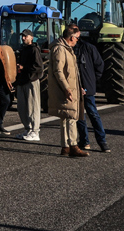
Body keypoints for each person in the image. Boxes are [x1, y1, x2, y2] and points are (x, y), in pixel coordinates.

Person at [48, 25, 86, 157]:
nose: (77, 41)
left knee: (65, 117)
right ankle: (73, 145)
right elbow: (58, 71)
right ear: (71, 37)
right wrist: (66, 88)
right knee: (70, 117)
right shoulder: (60, 50)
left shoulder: (67, 49)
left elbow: (72, 73)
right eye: (76, 38)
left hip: (70, 88)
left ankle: (66, 147)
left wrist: (78, 87)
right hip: (66, 90)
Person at [74, 33, 109, 152]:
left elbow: (99, 65)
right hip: (75, 88)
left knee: (93, 114)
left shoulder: (88, 48)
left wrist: (91, 81)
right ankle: (84, 142)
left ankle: (102, 142)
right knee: (79, 116)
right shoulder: (69, 49)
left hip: (87, 87)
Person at [15, 28, 44, 141]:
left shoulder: (34, 50)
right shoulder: (22, 49)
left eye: (25, 36)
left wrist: (24, 68)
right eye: (22, 36)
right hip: (22, 81)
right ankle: (27, 129)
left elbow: (38, 67)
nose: (23, 38)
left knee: (32, 107)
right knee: (22, 107)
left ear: (31, 37)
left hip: (31, 80)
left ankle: (35, 131)